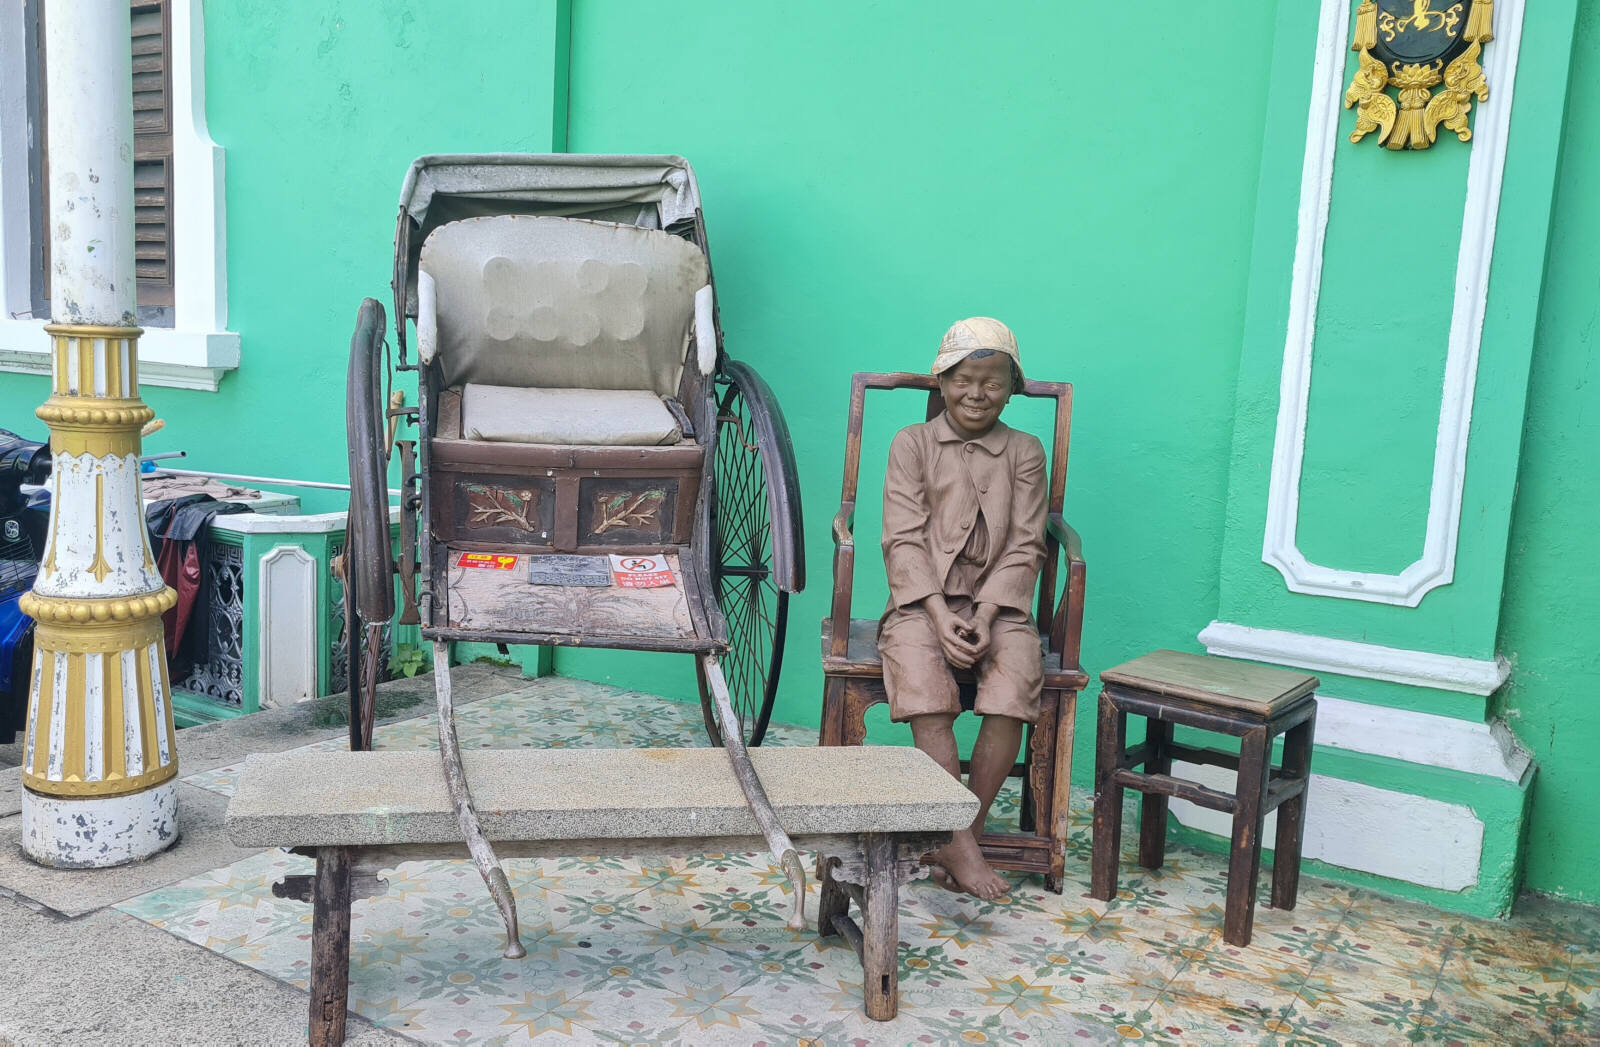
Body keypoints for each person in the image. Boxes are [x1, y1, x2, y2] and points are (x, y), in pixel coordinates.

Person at [879, 317, 1046, 899]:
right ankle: (960, 840)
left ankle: (959, 833)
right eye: (963, 381)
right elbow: (901, 536)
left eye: (992, 383)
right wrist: (936, 611)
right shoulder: (912, 444)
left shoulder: (1025, 451)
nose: (977, 395)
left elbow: (1027, 541)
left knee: (1015, 683)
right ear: (942, 382)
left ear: (1011, 387)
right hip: (920, 604)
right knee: (927, 689)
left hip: (999, 608)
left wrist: (986, 615)